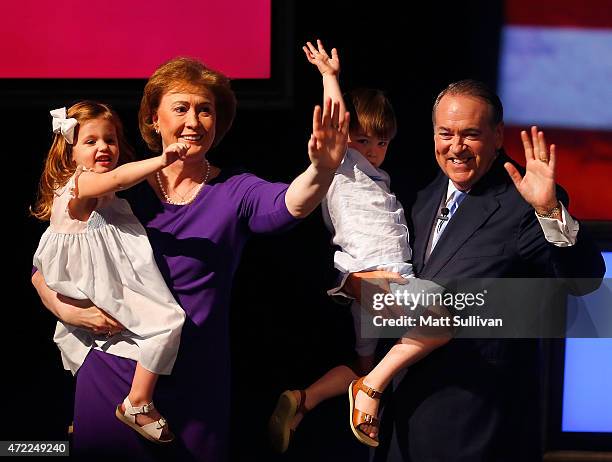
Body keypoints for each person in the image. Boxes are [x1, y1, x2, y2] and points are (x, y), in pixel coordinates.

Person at [31, 56, 349, 461]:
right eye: (181, 108)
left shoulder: (234, 190)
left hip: (197, 382)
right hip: (110, 371)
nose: (194, 121)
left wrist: (321, 169)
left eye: (205, 110)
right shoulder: (117, 185)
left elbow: (293, 203)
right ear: (153, 120)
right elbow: (47, 266)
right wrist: (69, 312)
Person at [340, 80, 605, 461]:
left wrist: (548, 210)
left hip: (478, 431)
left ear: (498, 137)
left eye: (471, 135)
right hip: (397, 425)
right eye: (445, 133)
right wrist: (352, 284)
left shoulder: (525, 203)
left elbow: (586, 279)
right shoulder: (418, 195)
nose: (456, 147)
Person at [269, 41, 450, 453]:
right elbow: (334, 121)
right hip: (381, 277)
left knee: (363, 363)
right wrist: (329, 76)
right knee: (447, 315)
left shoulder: (376, 178)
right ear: (347, 138)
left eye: (381, 143)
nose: (371, 150)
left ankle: (303, 400)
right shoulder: (342, 165)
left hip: (365, 283)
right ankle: (369, 390)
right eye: (362, 140)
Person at [31, 102, 191, 443]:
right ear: (70, 150)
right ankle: (137, 402)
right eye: (91, 141)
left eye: (111, 139)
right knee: (168, 322)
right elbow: (118, 177)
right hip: (93, 281)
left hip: (100, 278)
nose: (104, 147)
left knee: (123, 342)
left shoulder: (97, 190)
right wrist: (163, 160)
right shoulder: (83, 184)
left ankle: (90, 413)